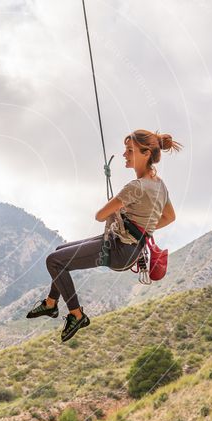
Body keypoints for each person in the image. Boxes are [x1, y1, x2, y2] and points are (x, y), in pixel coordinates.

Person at [26, 129, 182, 342]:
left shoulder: (136, 187)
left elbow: (100, 216)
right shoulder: (159, 185)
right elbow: (169, 217)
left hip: (119, 250)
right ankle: (51, 304)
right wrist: (144, 229)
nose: (124, 155)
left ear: (146, 154)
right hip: (128, 247)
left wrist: (120, 207)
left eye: (129, 150)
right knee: (60, 253)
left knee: (54, 261)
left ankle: (76, 314)